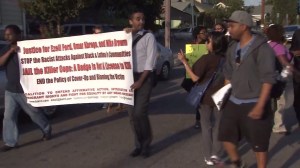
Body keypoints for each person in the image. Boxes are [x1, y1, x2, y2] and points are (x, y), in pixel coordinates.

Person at [219, 11, 276, 168]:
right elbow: (228, 75)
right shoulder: (232, 48)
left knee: (259, 145)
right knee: (226, 137)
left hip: (255, 101)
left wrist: (260, 105)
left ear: (243, 26)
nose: (228, 29)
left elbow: (268, 80)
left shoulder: (263, 49)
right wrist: (223, 96)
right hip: (233, 101)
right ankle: (237, 162)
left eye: (231, 26)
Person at [178, 31, 227, 166]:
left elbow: (195, 78)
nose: (206, 43)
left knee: (206, 127)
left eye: (209, 41)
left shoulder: (206, 59)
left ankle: (208, 156)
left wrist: (184, 62)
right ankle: (217, 154)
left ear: (214, 44)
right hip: (221, 96)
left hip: (205, 97)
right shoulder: (227, 59)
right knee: (218, 126)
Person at [0, 25, 52, 152]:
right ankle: (10, 142)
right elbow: (1, 63)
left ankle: (46, 129)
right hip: (11, 90)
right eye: (5, 34)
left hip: (25, 90)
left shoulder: (27, 48)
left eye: (9, 34)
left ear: (18, 35)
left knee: (34, 113)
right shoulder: (6, 48)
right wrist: (11, 51)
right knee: (8, 116)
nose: (6, 36)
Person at [126, 10, 157, 158]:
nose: (141, 22)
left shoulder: (148, 37)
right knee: (132, 115)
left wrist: (140, 81)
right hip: (128, 78)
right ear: (131, 21)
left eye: (143, 19)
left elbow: (150, 62)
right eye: (138, 19)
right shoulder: (124, 37)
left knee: (140, 113)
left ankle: (146, 144)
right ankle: (138, 144)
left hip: (144, 78)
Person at [265, 24, 295, 135]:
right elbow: (284, 62)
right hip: (280, 77)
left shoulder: (267, 45)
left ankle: (266, 123)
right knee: (280, 102)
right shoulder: (278, 47)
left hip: (268, 76)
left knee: (268, 101)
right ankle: (278, 126)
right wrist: (293, 71)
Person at [181, 26, 208, 129]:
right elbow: (188, 59)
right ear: (198, 35)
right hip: (192, 73)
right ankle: (200, 117)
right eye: (203, 32)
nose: (205, 34)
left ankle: (199, 119)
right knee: (197, 97)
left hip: (203, 74)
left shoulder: (207, 44)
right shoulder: (191, 45)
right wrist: (184, 58)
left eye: (205, 32)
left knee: (200, 97)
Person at [290, 29, 300, 127]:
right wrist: (293, 52)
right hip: (298, 70)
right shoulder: (297, 33)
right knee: (297, 97)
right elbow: (291, 50)